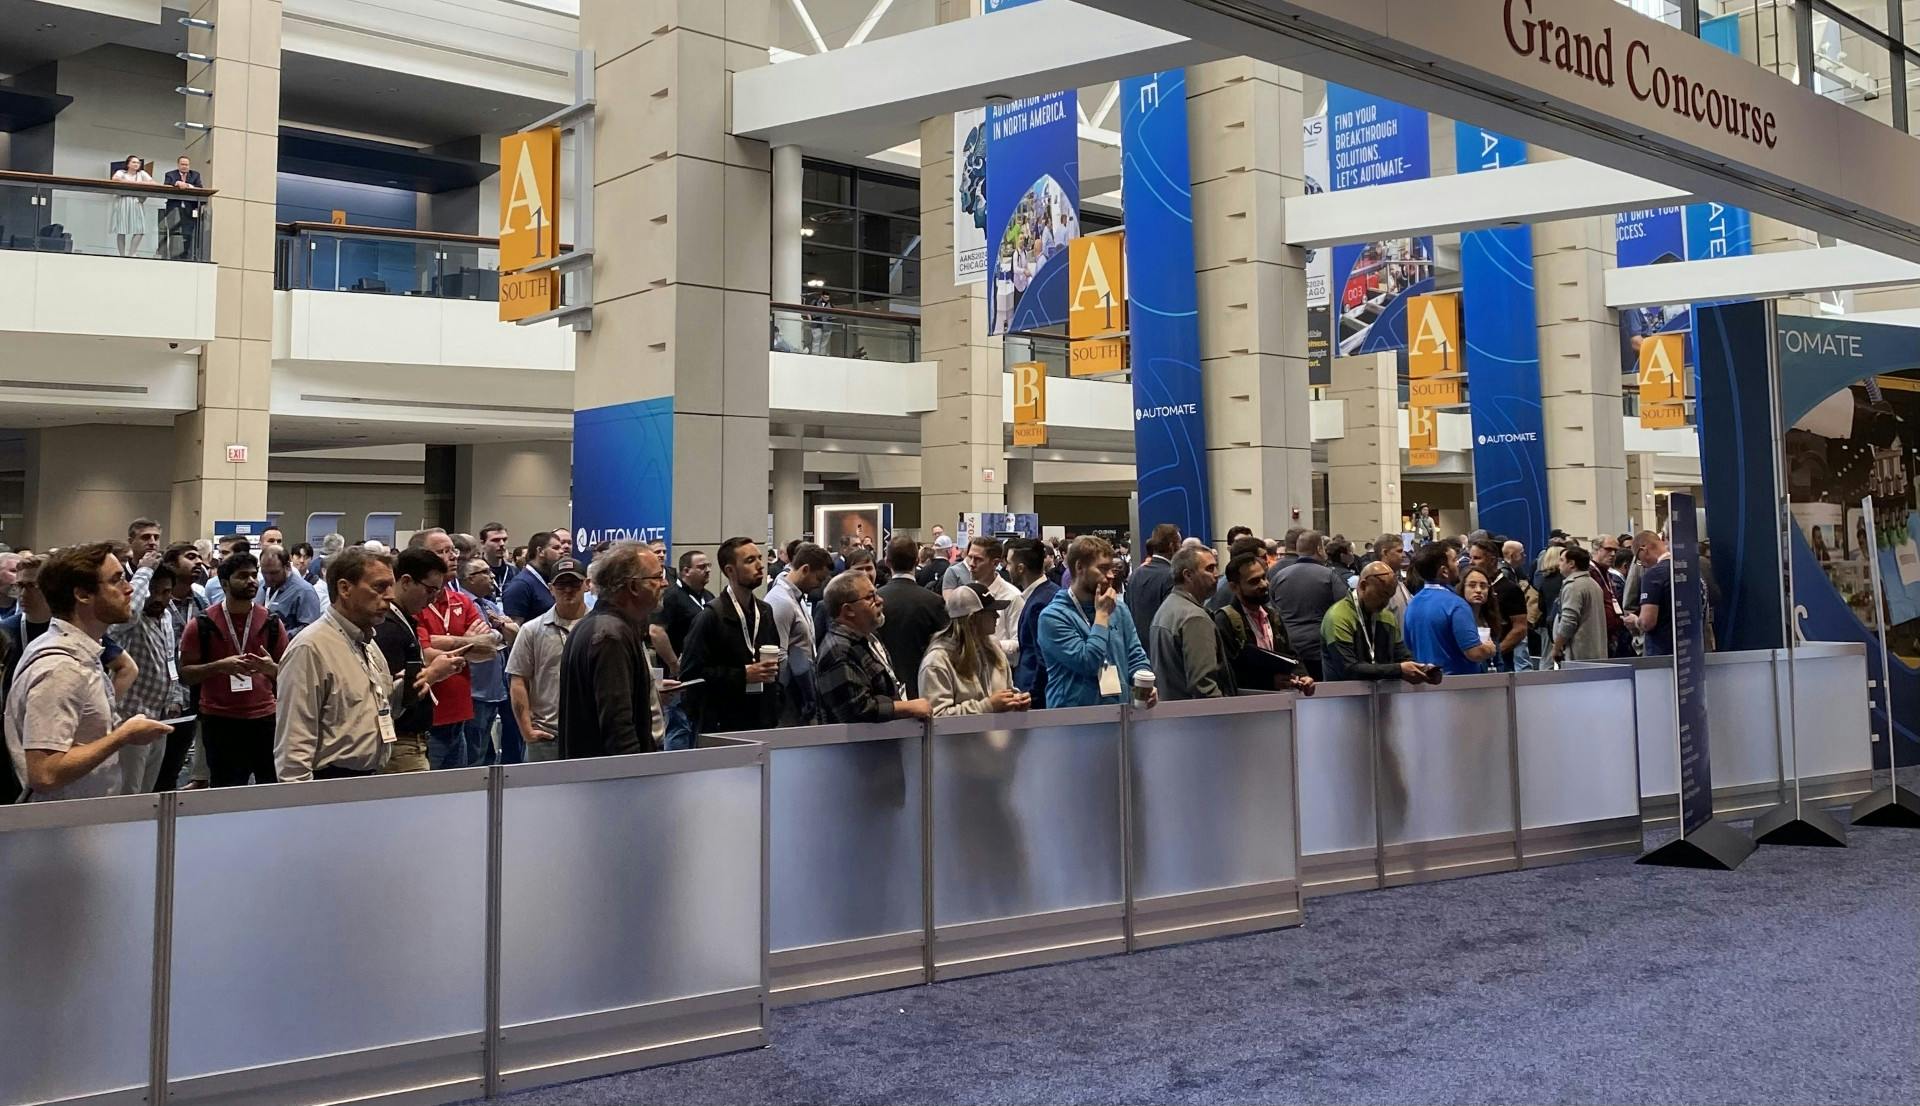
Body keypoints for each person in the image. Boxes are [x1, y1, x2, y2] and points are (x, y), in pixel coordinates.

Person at [5, 544, 172, 801]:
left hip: (79, 819)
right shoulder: (62, 668)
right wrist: (123, 735)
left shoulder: (79, 652)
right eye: (116, 580)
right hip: (61, 828)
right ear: (83, 595)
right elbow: (45, 773)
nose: (129, 589)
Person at [277, 548, 453, 782]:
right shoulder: (310, 649)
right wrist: (303, 809)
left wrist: (405, 687)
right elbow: (294, 745)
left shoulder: (368, 645)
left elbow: (382, 710)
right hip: (329, 784)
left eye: (391, 586)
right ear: (345, 588)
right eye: (379, 587)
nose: (390, 596)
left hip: (371, 778)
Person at [178, 553, 291, 786]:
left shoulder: (271, 622)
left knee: (271, 785)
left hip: (265, 718)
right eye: (242, 576)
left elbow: (290, 674)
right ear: (225, 583)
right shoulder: (202, 625)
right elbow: (186, 674)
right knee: (226, 788)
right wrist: (219, 667)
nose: (251, 581)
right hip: (220, 720)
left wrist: (271, 669)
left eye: (253, 575)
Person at [558, 541, 669, 757]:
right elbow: (617, 725)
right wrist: (632, 779)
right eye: (656, 578)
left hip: (590, 777)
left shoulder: (592, 625)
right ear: (633, 587)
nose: (664, 583)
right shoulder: (611, 637)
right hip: (610, 782)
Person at [371, 548, 465, 774]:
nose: (433, 599)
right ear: (405, 581)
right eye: (429, 590)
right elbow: (387, 695)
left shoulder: (403, 621)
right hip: (399, 742)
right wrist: (433, 674)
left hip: (410, 740)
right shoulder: (388, 628)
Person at [1036, 535, 1154, 708]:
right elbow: (1088, 663)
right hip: (1073, 722)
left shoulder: (1118, 609)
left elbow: (1135, 656)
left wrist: (1144, 685)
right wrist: (1102, 617)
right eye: (1103, 568)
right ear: (1080, 567)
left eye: (1112, 568)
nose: (1111, 575)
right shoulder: (1052, 617)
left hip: (1118, 717)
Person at [680, 537, 783, 734]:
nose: (760, 566)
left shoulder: (765, 612)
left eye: (759, 558)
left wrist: (776, 703)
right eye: (750, 560)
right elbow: (690, 676)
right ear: (730, 570)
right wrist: (742, 675)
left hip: (763, 720)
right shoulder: (710, 617)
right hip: (724, 726)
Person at [108, 559, 192, 793]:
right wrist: (144, 571)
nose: (157, 599)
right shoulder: (128, 622)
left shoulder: (165, 618)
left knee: (148, 790)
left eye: (165, 592)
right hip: (129, 719)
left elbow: (169, 658)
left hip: (158, 717)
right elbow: (129, 613)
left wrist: (174, 695)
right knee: (128, 792)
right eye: (152, 592)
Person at [815, 570, 933, 723]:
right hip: (857, 745)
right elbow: (857, 710)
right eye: (870, 597)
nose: (880, 600)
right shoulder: (838, 652)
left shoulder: (869, 636)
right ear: (848, 610)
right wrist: (908, 707)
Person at [507, 557, 587, 762]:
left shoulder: (603, 627)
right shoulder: (532, 630)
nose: (568, 590)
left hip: (592, 736)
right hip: (547, 737)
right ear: (551, 588)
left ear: (586, 585)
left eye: (574, 584)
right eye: (561, 584)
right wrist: (527, 731)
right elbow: (518, 681)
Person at [921, 583, 1028, 715]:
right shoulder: (937, 662)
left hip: (998, 734)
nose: (997, 616)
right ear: (973, 619)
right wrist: (987, 706)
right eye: (991, 612)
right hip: (963, 736)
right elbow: (936, 716)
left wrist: (1015, 700)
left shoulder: (995, 651)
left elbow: (1006, 691)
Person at [1214, 551, 1313, 694]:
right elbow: (1228, 673)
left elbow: (1291, 655)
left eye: (1264, 577)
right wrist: (1268, 682)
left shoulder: (1273, 615)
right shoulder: (1225, 620)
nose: (1264, 584)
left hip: (1280, 701)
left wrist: (1303, 676)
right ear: (1234, 587)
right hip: (1248, 703)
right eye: (1254, 581)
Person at [1321, 561, 1434, 684]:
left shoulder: (1387, 617)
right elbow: (1348, 669)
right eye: (1382, 595)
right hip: (1344, 698)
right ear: (1363, 586)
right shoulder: (1338, 617)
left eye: (1389, 597)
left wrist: (1421, 670)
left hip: (1382, 696)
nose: (1386, 602)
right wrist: (1398, 670)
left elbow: (1402, 656)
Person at [1149, 546, 1236, 700]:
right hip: (1196, 718)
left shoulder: (1168, 607)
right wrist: (1225, 718)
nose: (1216, 574)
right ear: (1188, 575)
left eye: (1216, 567)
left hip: (1171, 712)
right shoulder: (1195, 618)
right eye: (1209, 569)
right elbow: (1203, 686)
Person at [1402, 543, 1497, 676]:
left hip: (1425, 686)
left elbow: (1409, 646)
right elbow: (1474, 653)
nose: (1458, 563)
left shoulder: (1412, 604)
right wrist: (1489, 649)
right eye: (1454, 560)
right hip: (1458, 687)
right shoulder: (1456, 605)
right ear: (1444, 571)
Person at [1269, 530, 1351, 682]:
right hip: (1319, 649)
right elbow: (1345, 608)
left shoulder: (1278, 577)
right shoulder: (1330, 576)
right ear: (1319, 549)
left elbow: (1271, 610)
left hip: (1289, 649)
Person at [873, 536, 950, 697]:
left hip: (882, 689)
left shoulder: (874, 601)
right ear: (917, 561)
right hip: (926, 686)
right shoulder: (934, 602)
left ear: (887, 562)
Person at [461, 558, 521, 764]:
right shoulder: (463, 604)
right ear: (470, 578)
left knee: (486, 752)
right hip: (474, 692)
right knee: (474, 756)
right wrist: (499, 632)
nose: (492, 576)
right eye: (485, 572)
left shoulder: (488, 604)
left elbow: (515, 634)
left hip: (494, 690)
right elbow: (485, 642)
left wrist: (500, 630)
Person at [768, 542, 832, 725]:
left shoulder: (797, 598)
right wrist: (801, 693)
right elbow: (778, 655)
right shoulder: (780, 601)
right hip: (790, 696)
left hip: (802, 690)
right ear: (805, 569)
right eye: (818, 579)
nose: (819, 586)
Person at [1006, 539, 1058, 703]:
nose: (1006, 568)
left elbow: (1042, 657)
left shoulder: (1039, 603)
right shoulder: (1049, 592)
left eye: (1008, 563)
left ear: (1020, 568)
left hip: (1033, 694)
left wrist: (1033, 695)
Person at [1468, 539, 1531, 671]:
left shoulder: (1510, 589)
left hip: (1501, 662)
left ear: (1491, 560)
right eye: (1470, 557)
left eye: (1477, 558)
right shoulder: (1466, 589)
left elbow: (1520, 628)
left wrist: (1496, 652)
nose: (1471, 562)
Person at [1550, 547, 1610, 664]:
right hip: (1596, 653)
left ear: (1571, 564)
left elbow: (1568, 622)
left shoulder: (1573, 586)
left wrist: (1556, 648)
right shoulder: (1594, 584)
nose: (1559, 564)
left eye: (1562, 560)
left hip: (1579, 655)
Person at [958, 537, 1021, 646]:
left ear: (995, 563)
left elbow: (1018, 642)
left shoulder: (1012, 597)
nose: (971, 564)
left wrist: (986, 645)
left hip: (1000, 660)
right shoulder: (969, 593)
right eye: (970, 557)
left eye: (978, 559)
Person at [257, 544, 326, 639]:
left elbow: (310, 629)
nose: (268, 578)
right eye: (265, 572)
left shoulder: (304, 591)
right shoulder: (260, 586)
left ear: (288, 567)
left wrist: (280, 638)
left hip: (288, 648)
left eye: (274, 573)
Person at [655, 549, 713, 656]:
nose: (708, 570)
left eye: (709, 565)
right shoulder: (670, 596)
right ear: (686, 571)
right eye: (702, 567)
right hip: (679, 667)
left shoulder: (709, 596)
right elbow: (656, 632)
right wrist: (673, 664)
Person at [503, 528, 568, 622]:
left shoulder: (548, 579)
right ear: (540, 551)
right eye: (556, 548)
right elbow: (513, 631)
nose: (562, 551)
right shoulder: (520, 585)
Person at [1124, 523, 1180, 633]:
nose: (1181, 548)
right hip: (1159, 644)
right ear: (1172, 546)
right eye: (1180, 543)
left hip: (1137, 644)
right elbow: (1172, 618)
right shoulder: (1172, 576)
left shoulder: (1136, 573)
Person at [1629, 530, 1676, 656]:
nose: (1643, 565)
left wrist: (1635, 621)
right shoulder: (1687, 568)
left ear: (1643, 550)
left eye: (1640, 560)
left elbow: (1647, 622)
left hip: (1661, 651)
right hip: (1687, 648)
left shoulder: (1654, 575)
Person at [110, 154, 154, 256]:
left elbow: (152, 183)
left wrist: (139, 184)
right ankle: (122, 254)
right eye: (134, 162)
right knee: (121, 229)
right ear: (128, 164)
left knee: (140, 229)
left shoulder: (142, 173)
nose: (136, 164)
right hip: (123, 201)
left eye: (138, 163)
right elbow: (115, 179)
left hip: (136, 201)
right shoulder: (121, 172)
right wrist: (131, 183)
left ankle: (132, 253)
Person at [163, 154, 204, 260]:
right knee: (173, 232)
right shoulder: (170, 174)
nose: (185, 166)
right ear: (178, 165)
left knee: (187, 234)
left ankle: (185, 255)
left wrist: (188, 186)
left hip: (189, 209)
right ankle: (171, 255)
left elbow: (199, 188)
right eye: (182, 164)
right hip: (174, 208)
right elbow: (166, 185)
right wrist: (177, 183)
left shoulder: (195, 175)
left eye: (187, 164)